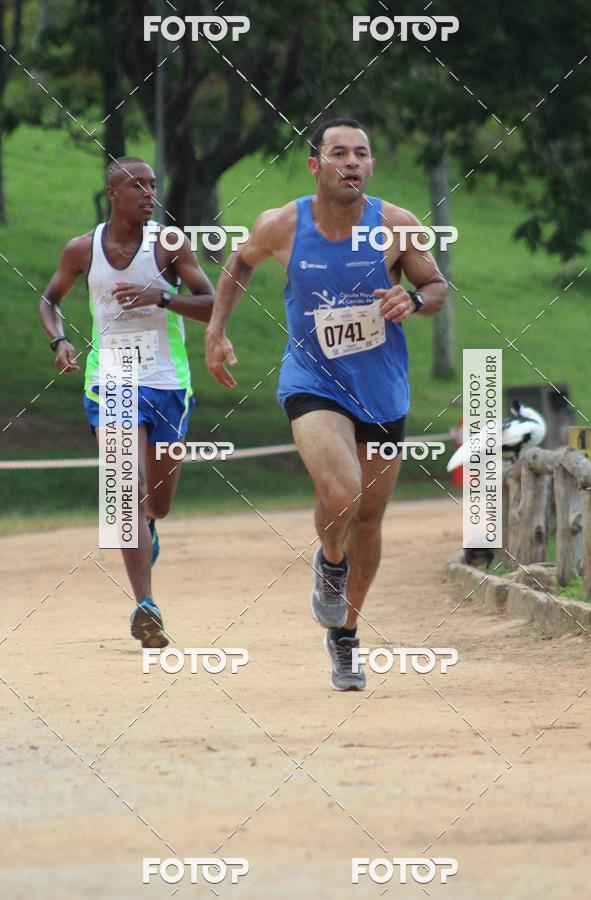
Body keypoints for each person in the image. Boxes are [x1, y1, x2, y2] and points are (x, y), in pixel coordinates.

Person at [205, 118, 447, 691]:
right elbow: (239, 261)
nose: (351, 162)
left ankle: (345, 637)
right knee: (342, 490)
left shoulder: (396, 226)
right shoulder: (283, 225)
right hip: (312, 379)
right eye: (338, 153)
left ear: (371, 166)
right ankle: (329, 564)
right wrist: (216, 330)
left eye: (361, 153)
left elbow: (437, 289)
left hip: (382, 389)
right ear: (316, 166)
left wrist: (411, 299)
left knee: (368, 518)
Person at [39, 156, 214, 649]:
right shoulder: (81, 249)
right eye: (137, 185)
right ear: (112, 193)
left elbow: (211, 303)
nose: (148, 193)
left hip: (166, 381)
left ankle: (151, 525)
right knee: (124, 486)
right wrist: (59, 341)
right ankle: (146, 605)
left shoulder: (169, 245)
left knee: (157, 500)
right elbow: (49, 300)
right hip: (110, 379)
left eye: (154, 185)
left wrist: (160, 298)